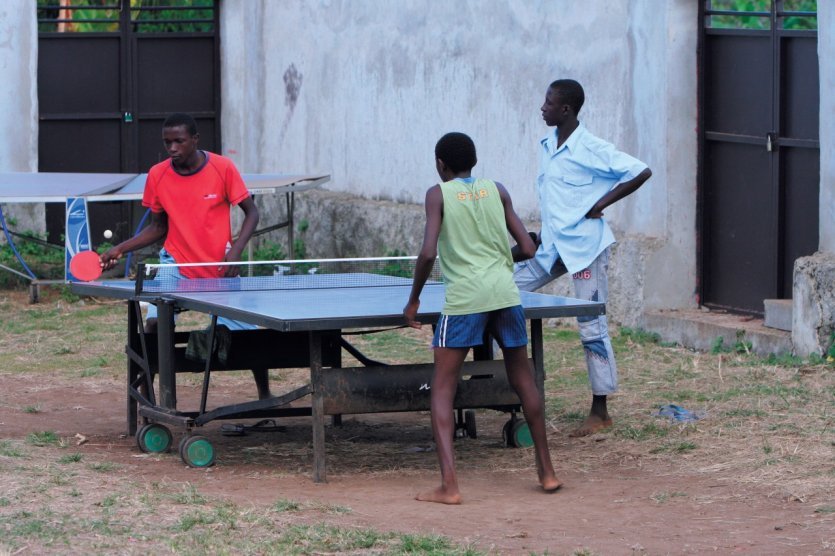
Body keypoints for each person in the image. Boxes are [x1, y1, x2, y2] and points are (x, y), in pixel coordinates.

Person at [404, 132, 561, 505]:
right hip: (506, 295)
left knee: (442, 388)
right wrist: (497, 261)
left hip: (465, 300)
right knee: (524, 381)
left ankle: (449, 486)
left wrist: (413, 301)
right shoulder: (498, 190)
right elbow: (527, 248)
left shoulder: (437, 194)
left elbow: (428, 254)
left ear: (441, 165)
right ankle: (548, 472)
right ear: (473, 161)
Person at [100, 112, 272, 399]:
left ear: (195, 139)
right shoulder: (158, 174)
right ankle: (151, 399)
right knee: (155, 322)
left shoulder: (222, 168)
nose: (172, 148)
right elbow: (157, 227)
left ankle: (265, 395)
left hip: (219, 265)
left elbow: (251, 212)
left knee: (247, 332)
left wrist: (237, 252)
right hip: (176, 263)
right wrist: (119, 249)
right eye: (167, 142)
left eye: (179, 141)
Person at [514, 79, 652, 437]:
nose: (542, 108)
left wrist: (600, 205)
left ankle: (600, 410)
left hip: (586, 249)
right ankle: (507, 383)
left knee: (591, 324)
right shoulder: (548, 145)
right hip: (552, 246)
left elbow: (640, 171)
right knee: (505, 290)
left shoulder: (590, 147)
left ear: (566, 110)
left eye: (548, 103)